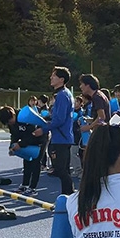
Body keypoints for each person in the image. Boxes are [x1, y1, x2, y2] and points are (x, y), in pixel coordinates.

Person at [34, 67, 75, 195]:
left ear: (61, 79)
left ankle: (70, 196)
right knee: (62, 170)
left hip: (61, 138)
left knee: (61, 170)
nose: (51, 78)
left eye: (54, 76)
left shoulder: (63, 95)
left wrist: (43, 128)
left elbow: (59, 119)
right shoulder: (62, 94)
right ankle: (67, 196)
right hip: (62, 137)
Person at [0, 106, 46, 196]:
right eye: (7, 123)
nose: (10, 123)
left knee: (36, 161)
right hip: (27, 139)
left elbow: (33, 134)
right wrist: (12, 145)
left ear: (13, 115)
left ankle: (33, 187)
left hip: (40, 137)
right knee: (27, 160)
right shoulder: (11, 123)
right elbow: (14, 134)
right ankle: (25, 184)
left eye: (9, 121)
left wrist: (20, 144)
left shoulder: (25, 117)